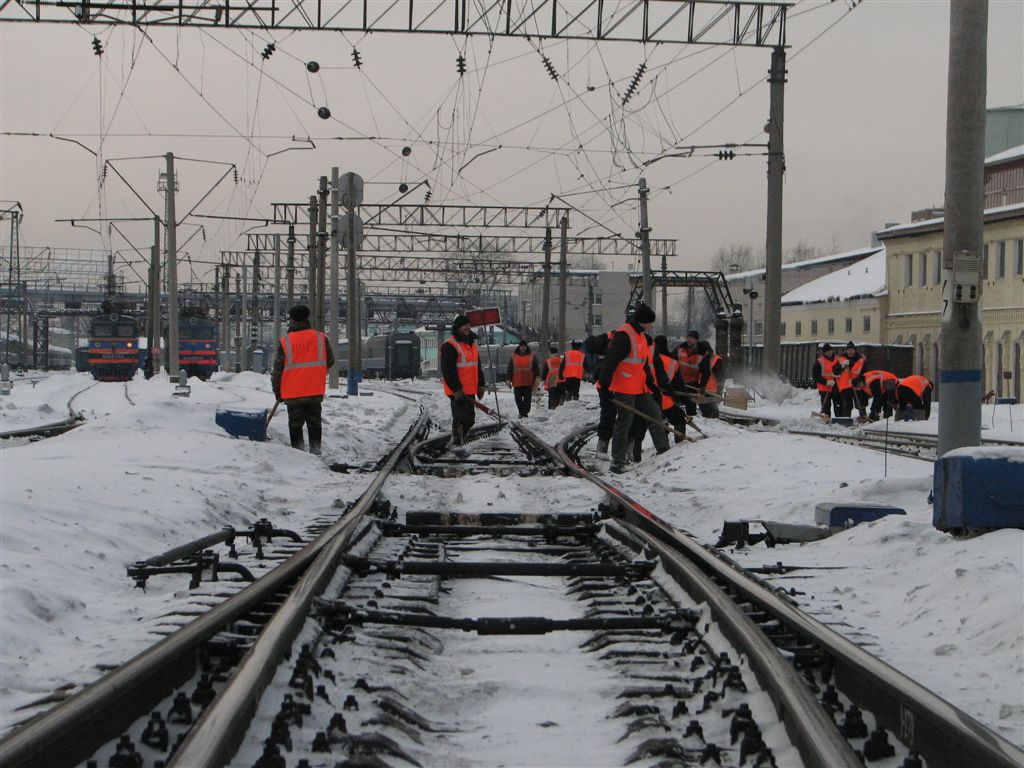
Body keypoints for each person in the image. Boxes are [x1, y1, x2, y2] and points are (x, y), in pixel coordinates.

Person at [599, 303, 668, 474]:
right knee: (624, 423)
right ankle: (618, 461)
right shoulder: (624, 335)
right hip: (623, 387)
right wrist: (606, 386)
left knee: (654, 413)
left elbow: (642, 364)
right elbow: (610, 361)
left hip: (640, 387)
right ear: (644, 321)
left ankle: (664, 450)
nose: (652, 325)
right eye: (650, 322)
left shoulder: (641, 336)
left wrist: (652, 384)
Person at [271, 304, 335, 455]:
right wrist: (314, 372)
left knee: (295, 424)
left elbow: (278, 370)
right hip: (314, 390)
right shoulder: (320, 338)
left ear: (292, 319)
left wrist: (277, 392)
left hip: (293, 393)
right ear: (307, 318)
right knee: (314, 423)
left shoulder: (286, 341)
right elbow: (330, 360)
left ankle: (298, 454)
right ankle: (316, 452)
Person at [440, 314, 486, 446]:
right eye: (464, 325)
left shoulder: (471, 344)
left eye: (468, 324)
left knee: (469, 420)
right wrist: (456, 389)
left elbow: (477, 366)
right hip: (457, 392)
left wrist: (481, 385)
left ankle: (457, 441)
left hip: (470, 390)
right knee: (461, 419)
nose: (467, 327)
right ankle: (456, 442)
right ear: (458, 327)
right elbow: (448, 370)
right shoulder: (450, 345)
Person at [507, 340, 539, 418]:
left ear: (526, 347)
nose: (523, 348)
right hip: (517, 382)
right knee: (518, 399)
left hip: (528, 382)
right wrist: (508, 379)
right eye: (521, 346)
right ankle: (522, 412)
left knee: (527, 400)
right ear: (519, 347)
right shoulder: (514, 356)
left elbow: (536, 368)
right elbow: (510, 369)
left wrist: (537, 378)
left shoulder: (531, 356)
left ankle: (524, 413)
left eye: (524, 346)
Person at [832, 341, 865, 418]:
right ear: (846, 351)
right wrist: (841, 366)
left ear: (855, 350)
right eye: (849, 350)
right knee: (847, 404)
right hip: (845, 386)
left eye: (852, 350)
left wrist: (859, 380)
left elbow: (865, 372)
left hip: (857, 385)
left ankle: (863, 418)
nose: (850, 352)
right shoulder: (841, 360)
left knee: (860, 403)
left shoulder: (860, 360)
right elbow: (835, 371)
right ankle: (846, 419)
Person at [695, 340, 724, 418]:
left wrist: (719, 392)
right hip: (701, 391)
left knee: (711, 416)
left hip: (711, 392)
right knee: (705, 414)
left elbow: (720, 378)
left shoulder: (716, 360)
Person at [676, 331, 702, 416]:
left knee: (691, 407)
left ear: (696, 340)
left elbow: (705, 371)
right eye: (688, 337)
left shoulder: (701, 353)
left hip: (692, 384)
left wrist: (702, 386)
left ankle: (691, 418)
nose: (689, 339)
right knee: (675, 405)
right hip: (680, 382)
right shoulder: (680, 349)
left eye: (692, 337)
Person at [812, 343, 839, 417]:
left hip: (836, 388)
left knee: (838, 406)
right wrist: (826, 382)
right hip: (824, 389)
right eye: (827, 351)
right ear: (824, 352)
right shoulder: (819, 362)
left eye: (830, 350)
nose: (829, 352)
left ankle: (839, 421)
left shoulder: (838, 360)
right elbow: (816, 376)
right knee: (826, 407)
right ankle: (826, 421)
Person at [542, 346, 564, 410]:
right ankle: (561, 404)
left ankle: (552, 407)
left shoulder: (548, 361)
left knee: (552, 395)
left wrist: (544, 379)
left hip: (552, 379)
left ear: (550, 353)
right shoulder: (561, 360)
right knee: (561, 393)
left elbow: (545, 371)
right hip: (561, 379)